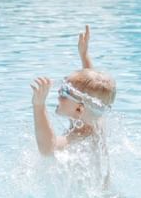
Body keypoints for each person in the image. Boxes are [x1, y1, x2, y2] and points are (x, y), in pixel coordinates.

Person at [30, 25, 116, 159]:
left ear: (79, 110)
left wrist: (39, 106)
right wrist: (84, 56)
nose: (58, 94)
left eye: (64, 93)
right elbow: (92, 95)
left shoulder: (78, 139)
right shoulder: (96, 119)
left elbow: (48, 149)